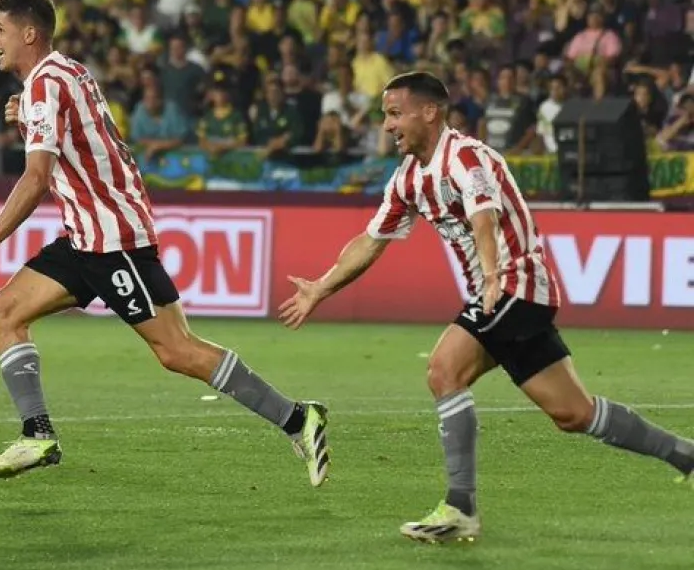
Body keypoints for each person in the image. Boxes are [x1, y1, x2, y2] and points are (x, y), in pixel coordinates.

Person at [278, 70, 694, 542]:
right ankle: (682, 452)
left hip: (516, 284)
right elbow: (372, 240)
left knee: (443, 371)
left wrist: (492, 275)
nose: (388, 126)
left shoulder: (466, 156)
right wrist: (320, 288)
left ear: (429, 112)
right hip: (503, 296)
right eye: (385, 117)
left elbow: (484, 216)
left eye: (395, 114)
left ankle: (460, 508)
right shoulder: (408, 179)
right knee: (573, 414)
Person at [0, 0, 330, 486]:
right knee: (2, 314)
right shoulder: (64, 73)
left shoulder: (46, 84)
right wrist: (27, 114)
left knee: (177, 351)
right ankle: (37, 434)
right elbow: (87, 133)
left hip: (113, 239)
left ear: (29, 33)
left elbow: (36, 178)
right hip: (86, 236)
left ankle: (299, 419)